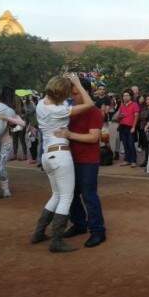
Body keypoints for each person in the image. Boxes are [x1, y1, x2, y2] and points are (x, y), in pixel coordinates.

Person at [31, 74, 94, 253]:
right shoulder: (58, 110)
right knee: (65, 197)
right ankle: (56, 241)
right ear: (62, 93)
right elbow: (89, 104)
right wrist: (77, 84)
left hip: (47, 156)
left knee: (56, 195)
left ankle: (39, 232)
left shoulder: (41, 104)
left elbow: (60, 100)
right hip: (60, 155)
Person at [52, 78, 106, 248]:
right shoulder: (71, 110)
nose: (72, 96)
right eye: (71, 93)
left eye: (75, 93)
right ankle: (79, 224)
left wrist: (69, 135)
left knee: (89, 195)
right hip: (70, 159)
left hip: (88, 161)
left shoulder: (94, 112)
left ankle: (98, 231)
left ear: (84, 91)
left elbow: (94, 137)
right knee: (71, 194)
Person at [0, 87, 26, 198]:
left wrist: (9, 121)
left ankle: (5, 189)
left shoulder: (11, 110)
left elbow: (21, 124)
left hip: (4, 141)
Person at [116, 89, 139, 168]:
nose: (125, 97)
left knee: (131, 144)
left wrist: (133, 127)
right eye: (124, 96)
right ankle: (127, 160)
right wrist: (120, 117)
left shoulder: (134, 104)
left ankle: (133, 161)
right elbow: (118, 117)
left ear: (131, 96)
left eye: (127, 95)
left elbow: (136, 116)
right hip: (122, 127)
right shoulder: (122, 105)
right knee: (125, 144)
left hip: (130, 127)